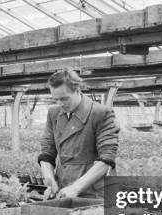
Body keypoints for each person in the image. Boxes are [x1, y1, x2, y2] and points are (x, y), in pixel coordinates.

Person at [38, 69, 119, 199]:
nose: (60, 104)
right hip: (64, 189)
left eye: (64, 99)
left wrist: (76, 187)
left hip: (95, 192)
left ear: (77, 90)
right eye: (56, 99)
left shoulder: (101, 113)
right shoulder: (53, 113)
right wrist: (49, 179)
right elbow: (47, 152)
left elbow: (106, 159)